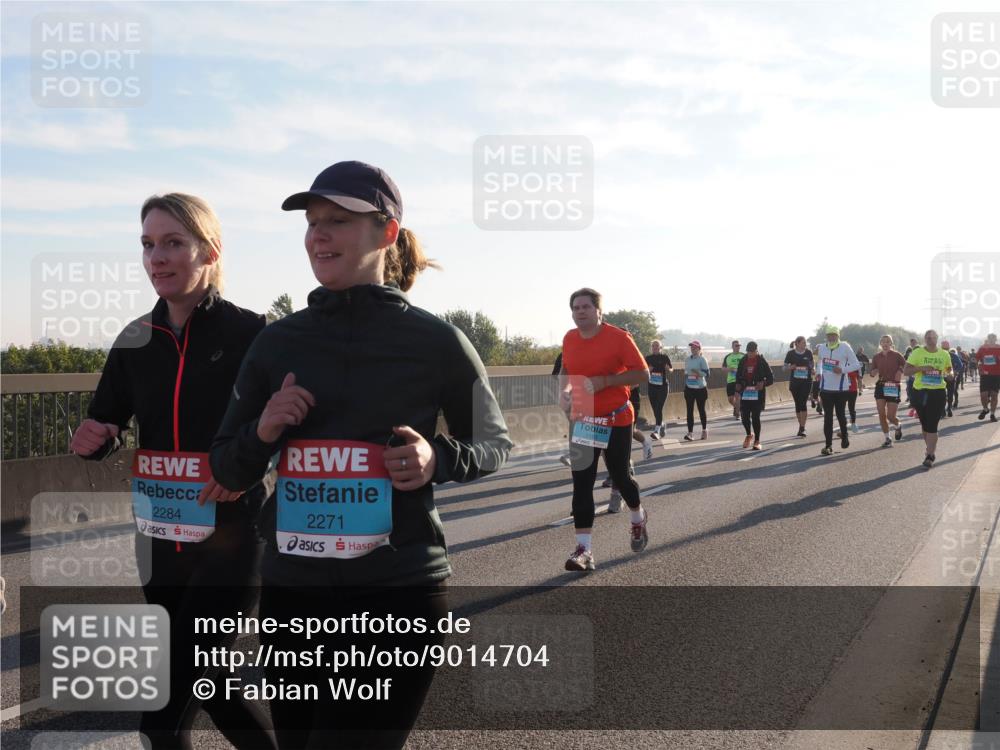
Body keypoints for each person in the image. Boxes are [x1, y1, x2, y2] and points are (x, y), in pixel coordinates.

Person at [209, 161, 512, 749]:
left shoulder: (437, 341)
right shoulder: (277, 342)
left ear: (387, 232)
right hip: (292, 597)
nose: (318, 235)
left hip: (396, 595)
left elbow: (493, 442)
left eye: (338, 220)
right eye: (312, 222)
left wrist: (437, 458)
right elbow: (226, 466)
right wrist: (264, 430)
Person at [71, 193, 275, 750]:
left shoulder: (253, 333)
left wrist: (241, 466)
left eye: (173, 243)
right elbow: (108, 421)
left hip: (232, 536)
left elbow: (287, 428)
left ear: (210, 251)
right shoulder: (135, 339)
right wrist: (95, 438)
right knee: (214, 687)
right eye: (147, 244)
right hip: (160, 539)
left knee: (162, 717)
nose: (156, 257)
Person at [557, 287, 650, 570]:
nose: (580, 312)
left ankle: (637, 516)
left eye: (586, 307)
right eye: (575, 308)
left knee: (620, 476)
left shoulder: (619, 338)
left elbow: (643, 374)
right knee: (582, 482)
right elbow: (566, 370)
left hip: (616, 418)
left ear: (599, 311)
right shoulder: (570, 338)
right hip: (584, 419)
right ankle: (583, 550)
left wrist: (606, 382)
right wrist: (564, 393)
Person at [904, 329, 953, 468]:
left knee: (932, 425)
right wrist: (921, 368)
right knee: (925, 424)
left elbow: (949, 369)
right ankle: (929, 449)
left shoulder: (944, 354)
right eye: (928, 337)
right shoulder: (917, 352)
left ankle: (930, 455)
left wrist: (950, 374)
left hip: (938, 392)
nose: (931, 340)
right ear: (924, 339)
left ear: (937, 339)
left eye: (933, 337)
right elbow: (906, 371)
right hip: (920, 392)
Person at [816, 326, 861, 456]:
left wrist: (842, 370)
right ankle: (828, 445)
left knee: (840, 414)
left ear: (838, 336)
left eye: (833, 335)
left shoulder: (844, 347)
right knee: (828, 417)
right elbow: (820, 362)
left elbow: (856, 364)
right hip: (826, 388)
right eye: (829, 335)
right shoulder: (822, 348)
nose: (831, 337)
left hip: (841, 389)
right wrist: (819, 372)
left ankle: (845, 436)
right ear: (826, 336)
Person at [734, 342, 774, 450]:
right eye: (748, 352)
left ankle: (757, 441)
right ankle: (748, 435)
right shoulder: (743, 360)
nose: (750, 354)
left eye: (752, 352)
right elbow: (738, 376)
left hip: (758, 394)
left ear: (756, 351)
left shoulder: (762, 361)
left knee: (755, 417)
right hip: (745, 393)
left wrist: (763, 383)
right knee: (744, 417)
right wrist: (738, 385)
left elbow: (771, 378)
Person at [871, 335, 906, 447]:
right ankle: (887, 438)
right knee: (881, 414)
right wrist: (873, 372)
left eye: (887, 342)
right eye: (883, 342)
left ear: (891, 344)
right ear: (880, 344)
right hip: (881, 386)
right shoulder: (876, 357)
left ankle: (897, 425)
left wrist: (899, 371)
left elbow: (906, 366)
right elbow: (872, 372)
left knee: (891, 416)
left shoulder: (897, 355)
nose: (885, 344)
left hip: (893, 386)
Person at [784, 336, 814, 437]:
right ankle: (800, 425)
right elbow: (784, 367)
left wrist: (812, 369)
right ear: (797, 343)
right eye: (803, 343)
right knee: (797, 404)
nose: (805, 344)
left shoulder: (808, 352)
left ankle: (802, 427)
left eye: (805, 343)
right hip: (795, 382)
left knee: (803, 403)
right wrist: (790, 367)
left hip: (806, 382)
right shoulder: (790, 353)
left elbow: (811, 364)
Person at [683, 340, 711, 441]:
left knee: (701, 410)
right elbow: (686, 372)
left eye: (695, 347)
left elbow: (707, 374)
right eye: (692, 347)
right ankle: (690, 433)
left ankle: (704, 430)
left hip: (700, 388)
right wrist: (688, 375)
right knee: (689, 411)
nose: (693, 349)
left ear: (699, 349)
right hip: (689, 387)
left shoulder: (702, 359)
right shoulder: (687, 359)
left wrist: (697, 372)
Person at [645, 339, 673, 439]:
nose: (655, 347)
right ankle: (661, 424)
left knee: (659, 407)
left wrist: (668, 369)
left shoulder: (664, 357)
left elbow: (671, 369)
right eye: (653, 346)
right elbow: (643, 371)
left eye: (657, 346)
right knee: (654, 409)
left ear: (660, 347)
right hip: (652, 386)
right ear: (651, 348)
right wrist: (648, 370)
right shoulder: (648, 358)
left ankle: (656, 430)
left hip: (663, 386)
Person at [977, 333, 1000, 422]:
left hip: (996, 375)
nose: (991, 340)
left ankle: (992, 414)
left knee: (994, 395)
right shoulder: (982, 348)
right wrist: (979, 367)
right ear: (988, 339)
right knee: (983, 395)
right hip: (985, 375)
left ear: (995, 339)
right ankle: (985, 409)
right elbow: (977, 359)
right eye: (990, 338)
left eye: (993, 338)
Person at [722, 340, 745, 418]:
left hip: (740, 380)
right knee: (730, 399)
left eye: (739, 346)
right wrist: (730, 369)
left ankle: (737, 414)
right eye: (736, 346)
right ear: (732, 347)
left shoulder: (743, 356)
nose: (738, 347)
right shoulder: (728, 357)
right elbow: (723, 368)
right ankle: (738, 407)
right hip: (730, 380)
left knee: (737, 396)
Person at [944, 342, 963, 417]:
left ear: (948, 348)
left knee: (951, 392)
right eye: (943, 348)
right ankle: (943, 410)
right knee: (942, 394)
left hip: (951, 377)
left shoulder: (954, 355)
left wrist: (955, 372)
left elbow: (960, 365)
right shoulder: (939, 355)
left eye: (946, 348)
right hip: (941, 377)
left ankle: (949, 408)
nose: (945, 349)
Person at [904, 337, 919, 412]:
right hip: (910, 374)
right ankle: (912, 402)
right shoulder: (909, 351)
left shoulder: (920, 350)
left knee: (918, 389)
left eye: (914, 342)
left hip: (918, 374)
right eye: (911, 342)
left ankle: (918, 403)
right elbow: (904, 360)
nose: (913, 343)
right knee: (909, 388)